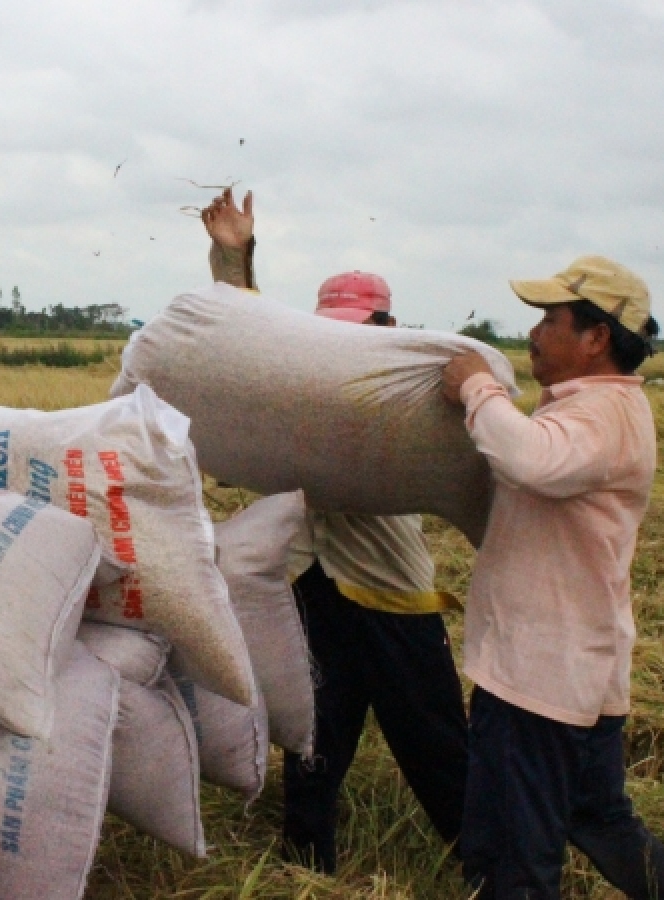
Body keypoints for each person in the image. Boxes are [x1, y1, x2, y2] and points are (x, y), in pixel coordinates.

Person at [201, 188, 469, 873]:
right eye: (337, 326)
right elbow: (250, 354)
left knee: (437, 748)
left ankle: (494, 870)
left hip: (392, 598)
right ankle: (304, 869)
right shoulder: (311, 388)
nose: (350, 337)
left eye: (364, 324)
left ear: (391, 324)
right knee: (313, 741)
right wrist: (236, 262)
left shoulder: (409, 396)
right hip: (315, 587)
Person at [440, 256, 664, 899]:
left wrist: (478, 388)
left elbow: (531, 460)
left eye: (550, 320)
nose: (533, 333)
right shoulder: (593, 410)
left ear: (595, 337)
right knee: (601, 818)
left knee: (514, 856)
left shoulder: (599, 416)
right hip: (577, 667)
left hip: (539, 677)